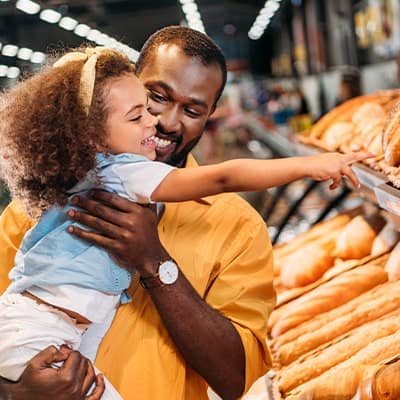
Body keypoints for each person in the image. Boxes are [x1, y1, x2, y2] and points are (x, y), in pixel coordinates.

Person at [0, 27, 369, 400]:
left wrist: (155, 262)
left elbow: (234, 379)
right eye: (154, 98)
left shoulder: (237, 228)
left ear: (210, 116)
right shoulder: (38, 208)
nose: (166, 121)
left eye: (192, 110)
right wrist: (14, 390)